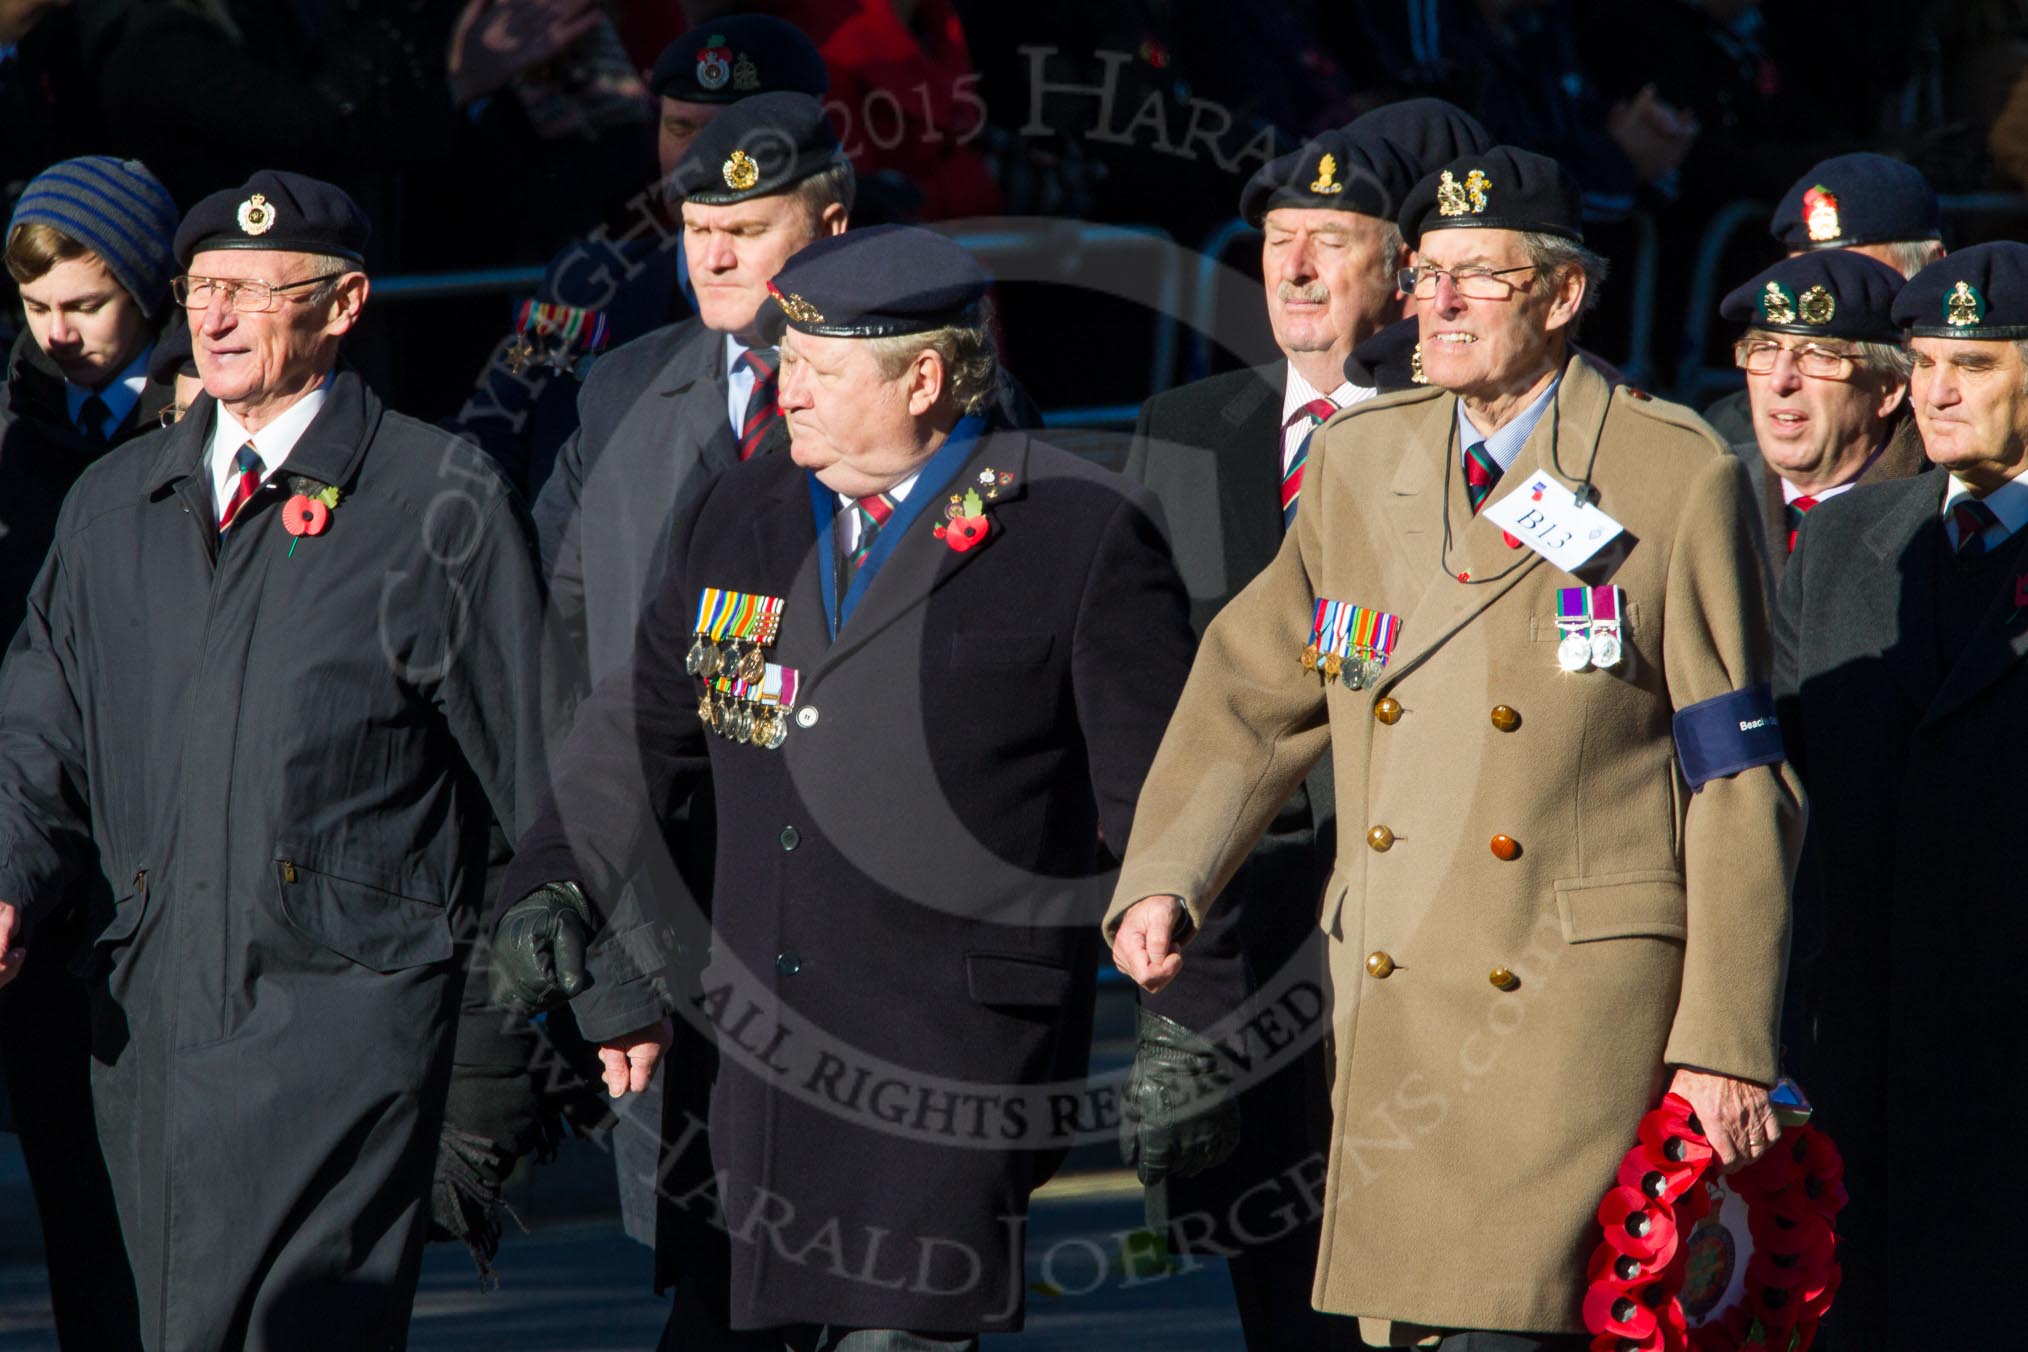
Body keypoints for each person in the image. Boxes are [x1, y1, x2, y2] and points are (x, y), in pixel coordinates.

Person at [1108, 145, 1801, 1350]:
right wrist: (1170, 869)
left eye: (1479, 277)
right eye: (1428, 273)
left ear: (1563, 295)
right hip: (1395, 995)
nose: (1437, 302)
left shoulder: (1668, 472)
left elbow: (1737, 777)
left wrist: (1722, 1044)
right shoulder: (1364, 456)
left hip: (1575, 1006)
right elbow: (1256, 683)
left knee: (1511, 1325)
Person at [490, 223, 1196, 1350]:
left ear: (923, 376)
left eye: (818, 366)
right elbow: (643, 722)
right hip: (746, 1074)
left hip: (942, 1070)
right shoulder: (742, 509)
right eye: (785, 360)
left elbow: (1171, 799)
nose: (786, 387)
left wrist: (1190, 1021)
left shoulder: (1074, 525)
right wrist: (556, 875)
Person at [0, 168, 657, 1348]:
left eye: (256, 290)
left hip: (346, 1030)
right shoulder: (115, 505)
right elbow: (37, 728)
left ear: (344, 305)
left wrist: (612, 988)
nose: (216, 316)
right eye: (203, 288)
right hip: (145, 1026)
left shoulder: (432, 498)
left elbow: (538, 760)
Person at [1118, 100, 1489, 1352]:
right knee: (1278, 1302)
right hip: (1250, 948)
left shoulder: (1461, 435)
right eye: (1280, 238)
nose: (1296, 266)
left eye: (1332, 237)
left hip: (1427, 935)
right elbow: (1153, 711)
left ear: (1404, 270)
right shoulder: (1188, 433)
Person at [529, 87, 851, 1345]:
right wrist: (607, 952)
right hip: (671, 924)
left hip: (855, 945)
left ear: (831, 221)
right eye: (694, 224)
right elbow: (558, 670)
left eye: (749, 226)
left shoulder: (936, 388)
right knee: (717, 1284)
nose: (710, 251)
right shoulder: (623, 395)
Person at [1774, 239, 2028, 1351]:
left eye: (1970, 364)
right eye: (1922, 362)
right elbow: (1779, 794)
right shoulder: (1838, 542)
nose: (1935, 390)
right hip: (1861, 1064)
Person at [0, 152, 181, 1352]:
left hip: (158, 837)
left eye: (87, 305)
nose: (59, 335)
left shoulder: (210, 416)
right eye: (36, 308)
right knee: (68, 1179)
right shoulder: (14, 422)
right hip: (29, 838)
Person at [452, 13, 832, 493]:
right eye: (680, 128)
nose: (698, 159)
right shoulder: (584, 283)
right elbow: (490, 431)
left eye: (725, 134)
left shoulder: (854, 294)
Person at [1704, 152, 1946, 444]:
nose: (1820, 289)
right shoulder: (1732, 430)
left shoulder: (1961, 425)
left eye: (1852, 274)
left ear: (1931, 267)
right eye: (1801, 275)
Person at [1718, 249, 1925, 578]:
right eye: (1764, 350)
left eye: (1819, 355)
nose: (1780, 380)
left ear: (1888, 389)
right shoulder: (1711, 493)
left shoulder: (1938, 513)